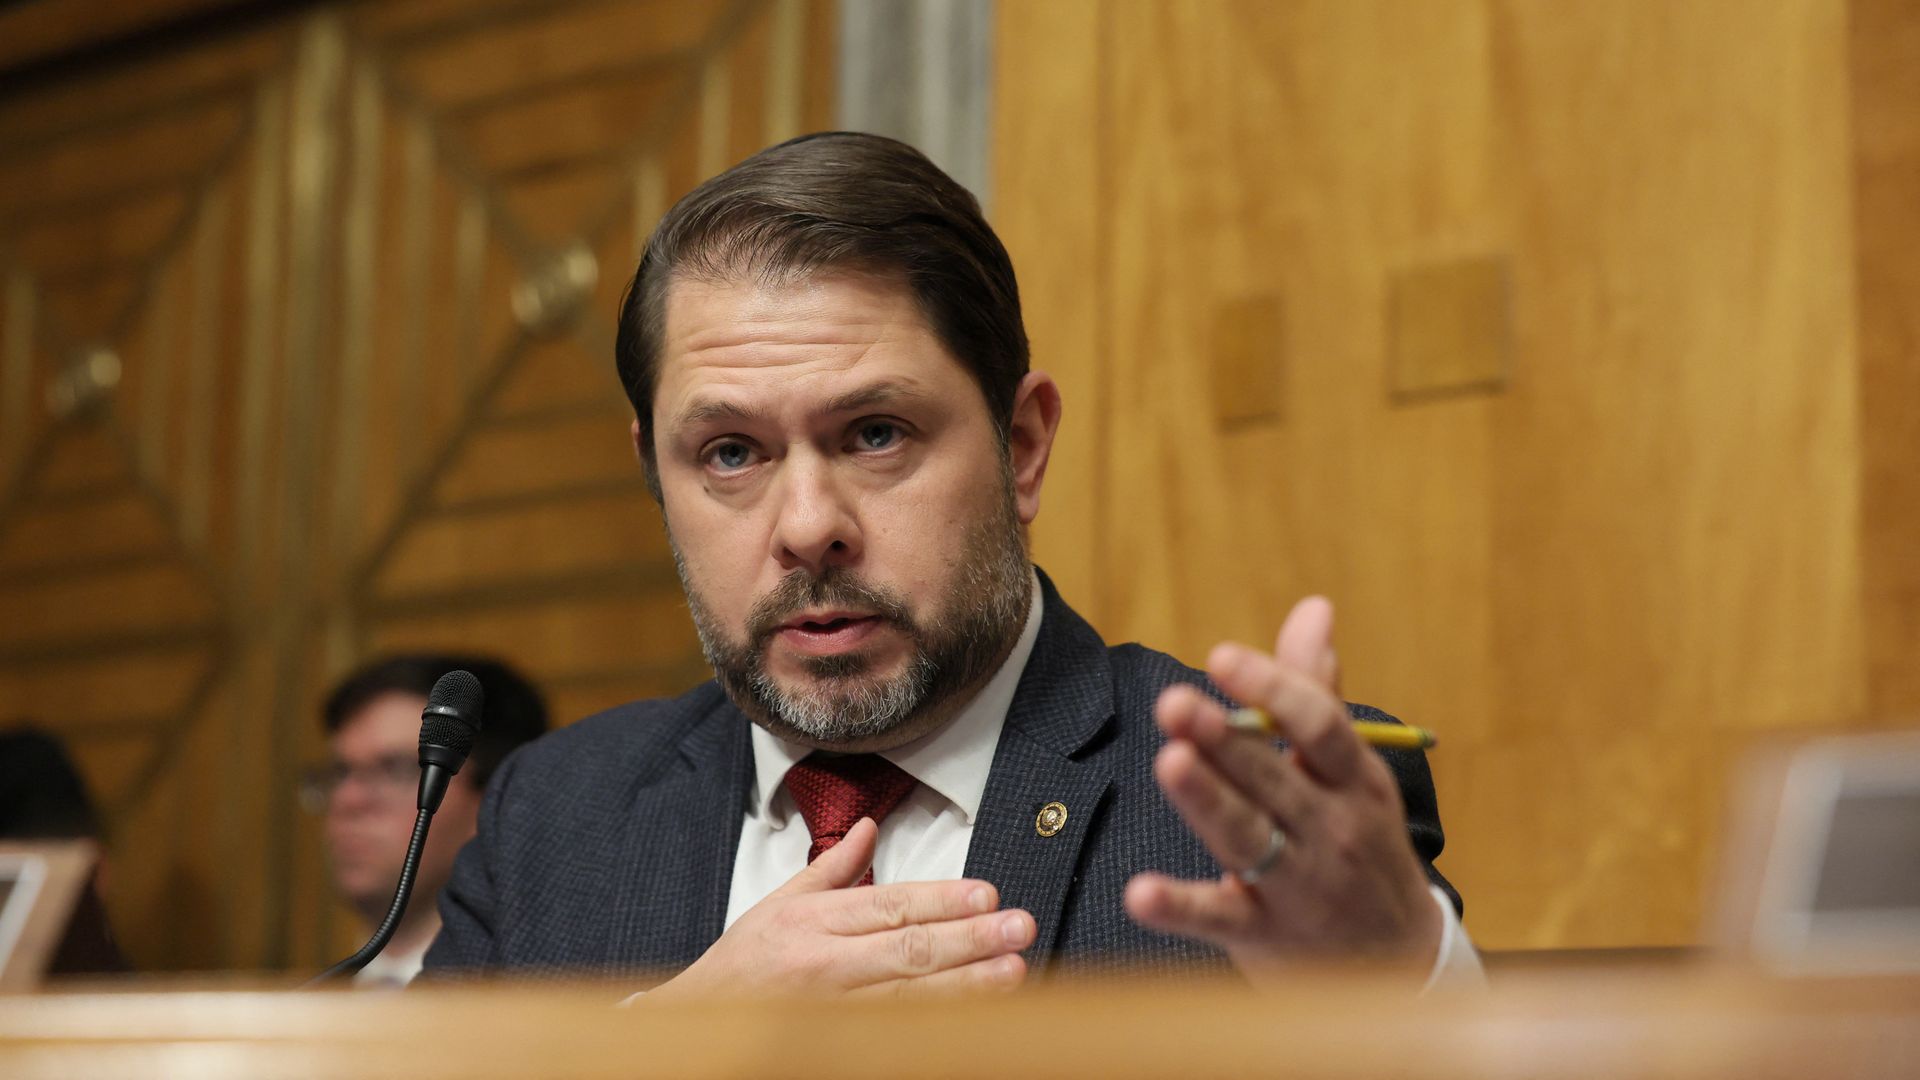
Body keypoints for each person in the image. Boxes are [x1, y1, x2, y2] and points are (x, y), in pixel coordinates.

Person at [424, 132, 1481, 994]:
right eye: (731, 453)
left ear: (1022, 445)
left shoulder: (1265, 806)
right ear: (659, 478)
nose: (808, 526)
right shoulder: (557, 813)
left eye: (875, 433)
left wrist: (1402, 985)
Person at [306, 656, 548, 986]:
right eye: (341, 772)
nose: (348, 800)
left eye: (396, 770)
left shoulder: (548, 1007)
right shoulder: (312, 1001)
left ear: (497, 798)